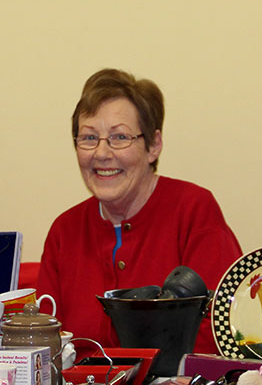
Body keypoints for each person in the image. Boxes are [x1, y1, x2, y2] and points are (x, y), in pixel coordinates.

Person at [37, 68, 242, 355]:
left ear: (153, 145)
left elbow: (221, 329)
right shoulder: (65, 230)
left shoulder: (194, 210)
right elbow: (46, 341)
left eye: (119, 137)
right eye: (88, 138)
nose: (102, 153)